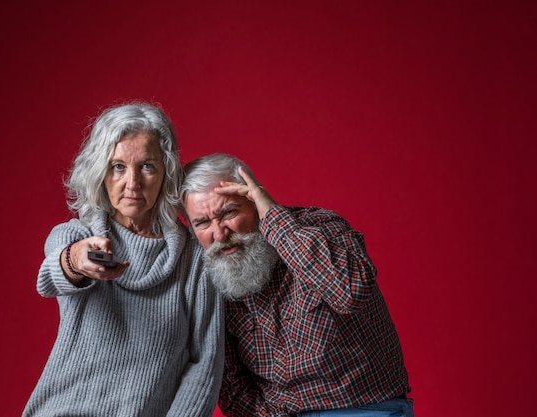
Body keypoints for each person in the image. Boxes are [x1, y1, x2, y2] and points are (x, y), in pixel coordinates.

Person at [22, 103, 223, 417]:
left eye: (147, 166)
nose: (133, 182)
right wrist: (77, 260)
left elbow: (205, 365)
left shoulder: (195, 261)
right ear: (100, 172)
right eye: (118, 166)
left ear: (166, 173)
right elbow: (50, 275)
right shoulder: (76, 234)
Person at [180, 153, 413, 417]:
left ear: (254, 201)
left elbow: (349, 292)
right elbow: (230, 383)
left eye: (229, 213)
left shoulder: (321, 226)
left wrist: (273, 218)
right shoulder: (210, 275)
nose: (220, 234)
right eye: (202, 223)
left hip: (362, 407)